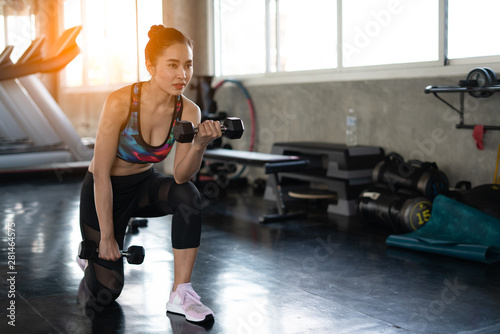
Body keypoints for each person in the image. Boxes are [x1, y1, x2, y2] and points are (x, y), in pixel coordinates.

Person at [78, 25, 219, 323]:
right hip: (104, 190)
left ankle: (181, 293)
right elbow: (101, 173)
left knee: (187, 196)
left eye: (188, 65)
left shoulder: (189, 111)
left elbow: (181, 177)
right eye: (172, 65)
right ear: (151, 66)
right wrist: (106, 238)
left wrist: (199, 145)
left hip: (143, 185)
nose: (183, 74)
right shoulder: (120, 102)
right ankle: (88, 258)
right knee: (109, 288)